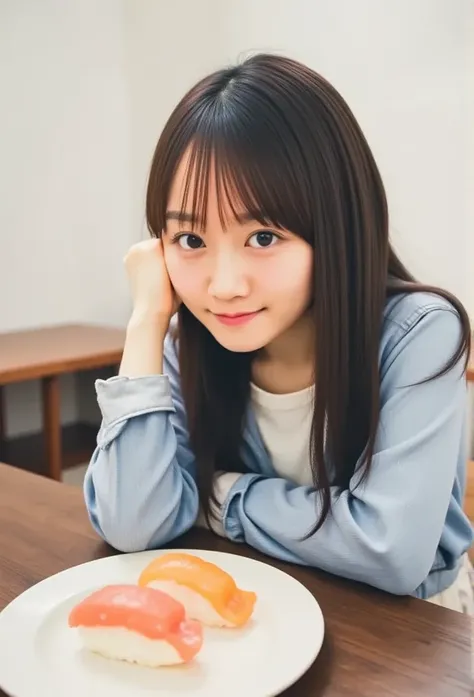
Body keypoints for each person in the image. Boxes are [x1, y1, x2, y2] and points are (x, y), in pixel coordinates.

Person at [84, 53, 474, 613]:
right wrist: (146, 321)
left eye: (263, 237)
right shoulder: (189, 340)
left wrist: (222, 496)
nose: (223, 286)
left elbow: (390, 551)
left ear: (336, 225)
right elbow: (132, 524)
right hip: (275, 609)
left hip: (418, 631)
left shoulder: (421, 334)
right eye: (190, 241)